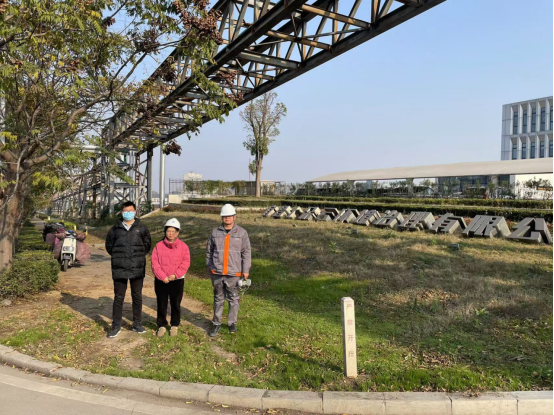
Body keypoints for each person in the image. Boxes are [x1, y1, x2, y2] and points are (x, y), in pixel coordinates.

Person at [105, 201, 151, 338]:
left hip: (137, 267)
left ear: (135, 212)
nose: (128, 213)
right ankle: (116, 326)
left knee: (137, 296)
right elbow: (109, 246)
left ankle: (137, 324)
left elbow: (147, 245)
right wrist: (119, 257)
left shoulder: (141, 228)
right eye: (125, 211)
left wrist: (136, 257)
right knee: (119, 297)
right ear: (122, 212)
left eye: (130, 211)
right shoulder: (115, 229)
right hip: (120, 268)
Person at [205, 204, 251, 337]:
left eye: (229, 216)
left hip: (234, 273)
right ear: (221, 217)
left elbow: (246, 253)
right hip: (217, 272)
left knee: (233, 298)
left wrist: (245, 269)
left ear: (234, 217)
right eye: (225, 216)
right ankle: (216, 323)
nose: (227, 218)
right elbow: (209, 251)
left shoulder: (242, 233)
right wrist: (210, 266)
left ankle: (232, 323)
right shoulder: (215, 232)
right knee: (218, 298)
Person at [151, 218, 190, 337]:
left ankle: (174, 324)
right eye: (169, 231)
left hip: (177, 280)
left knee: (176, 303)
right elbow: (154, 263)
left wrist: (175, 275)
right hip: (161, 280)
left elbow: (185, 262)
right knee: (161, 303)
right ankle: (162, 325)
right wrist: (162, 276)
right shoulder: (158, 246)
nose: (171, 234)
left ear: (178, 232)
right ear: (165, 232)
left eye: (173, 231)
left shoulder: (183, 246)